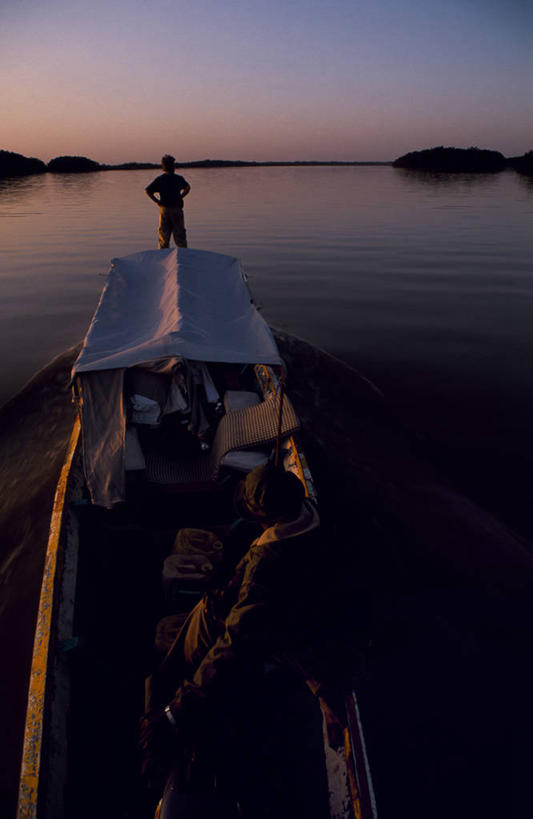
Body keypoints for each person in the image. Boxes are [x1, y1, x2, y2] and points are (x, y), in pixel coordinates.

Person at [139, 462, 329, 777]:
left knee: (180, 684)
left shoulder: (266, 567)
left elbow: (235, 643)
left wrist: (177, 712)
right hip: (247, 623)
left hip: (241, 643)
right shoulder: (308, 515)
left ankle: (169, 746)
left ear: (268, 519)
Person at [145, 154, 191, 249]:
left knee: (164, 237)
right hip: (176, 209)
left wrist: (157, 201)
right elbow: (187, 188)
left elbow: (148, 190)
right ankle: (183, 254)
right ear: (172, 166)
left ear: (163, 167)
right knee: (180, 236)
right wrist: (181, 196)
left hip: (165, 209)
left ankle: (163, 255)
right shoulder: (178, 178)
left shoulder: (160, 179)